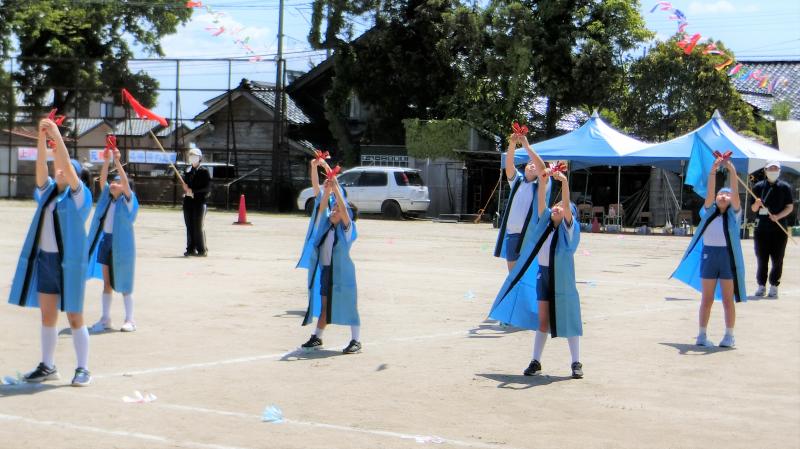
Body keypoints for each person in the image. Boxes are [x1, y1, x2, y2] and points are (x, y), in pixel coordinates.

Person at [8, 117, 93, 386]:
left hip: (70, 264)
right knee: (47, 315)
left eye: (65, 169)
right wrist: (42, 139)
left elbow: (64, 163)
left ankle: (83, 368)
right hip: (46, 260)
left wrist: (56, 135)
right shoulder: (47, 194)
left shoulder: (80, 197)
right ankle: (48, 366)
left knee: (75, 316)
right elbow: (41, 169)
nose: (59, 170)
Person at [489, 166, 584, 379]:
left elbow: (567, 206)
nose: (557, 207)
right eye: (556, 205)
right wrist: (543, 180)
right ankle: (536, 361)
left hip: (563, 280)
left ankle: (576, 362)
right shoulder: (544, 224)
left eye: (562, 207)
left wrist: (564, 182)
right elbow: (541, 200)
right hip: (544, 275)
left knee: (568, 319)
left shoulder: (569, 230)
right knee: (543, 321)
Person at [672, 157, 746, 348]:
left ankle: (729, 335)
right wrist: (713, 170)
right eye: (721, 194)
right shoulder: (708, 212)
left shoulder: (734, 215)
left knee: (728, 299)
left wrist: (732, 171)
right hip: (709, 256)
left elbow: (735, 193)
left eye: (727, 195)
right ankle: (702, 335)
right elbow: (711, 193)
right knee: (707, 298)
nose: (723, 196)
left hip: (727, 258)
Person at [300, 175, 361, 354]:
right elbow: (321, 208)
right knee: (325, 306)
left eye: (337, 210)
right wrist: (327, 190)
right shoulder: (326, 227)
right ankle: (317, 337)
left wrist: (336, 189)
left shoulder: (347, 231)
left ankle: (356, 340)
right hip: (328, 272)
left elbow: (344, 210)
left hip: (343, 273)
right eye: (333, 208)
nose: (333, 211)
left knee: (349, 305)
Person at [86, 146, 139, 333]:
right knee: (107, 283)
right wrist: (107, 159)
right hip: (106, 242)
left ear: (125, 187)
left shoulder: (128, 201)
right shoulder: (108, 199)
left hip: (122, 246)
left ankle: (130, 319)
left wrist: (117, 160)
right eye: (113, 181)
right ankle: (105, 319)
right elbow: (102, 180)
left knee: (124, 283)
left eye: (118, 182)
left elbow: (125, 184)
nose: (114, 184)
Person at [494, 134, 550, 271]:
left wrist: (526, 146)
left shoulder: (542, 184)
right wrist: (512, 143)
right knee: (513, 275)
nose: (532, 165)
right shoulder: (517, 181)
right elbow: (509, 165)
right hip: (512, 234)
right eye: (529, 163)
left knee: (528, 274)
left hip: (530, 235)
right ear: (524, 167)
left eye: (534, 164)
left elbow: (542, 169)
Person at [751, 160, 794, 298]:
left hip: (779, 229)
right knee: (761, 259)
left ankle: (774, 285)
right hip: (761, 229)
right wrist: (757, 204)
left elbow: (789, 207)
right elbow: (753, 209)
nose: (773, 171)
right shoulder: (758, 187)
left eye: (776, 169)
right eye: (771, 168)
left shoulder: (785, 187)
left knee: (778, 259)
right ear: (765, 170)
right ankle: (761, 285)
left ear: (779, 171)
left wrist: (778, 216)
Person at [297, 156, 333, 269]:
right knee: (314, 265)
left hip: (328, 236)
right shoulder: (321, 197)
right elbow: (315, 183)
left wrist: (325, 165)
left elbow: (333, 178)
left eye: (329, 182)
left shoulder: (335, 200)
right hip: (317, 234)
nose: (326, 183)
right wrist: (313, 167)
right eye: (325, 182)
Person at [182, 144, 211, 257]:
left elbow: (207, 188)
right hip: (188, 202)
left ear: (200, 158)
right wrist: (185, 188)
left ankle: (202, 250)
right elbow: (186, 184)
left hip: (199, 202)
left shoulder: (204, 171)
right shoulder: (188, 170)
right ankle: (190, 249)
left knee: (198, 226)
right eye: (191, 155)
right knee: (189, 226)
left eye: (195, 156)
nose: (192, 158)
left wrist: (193, 191)